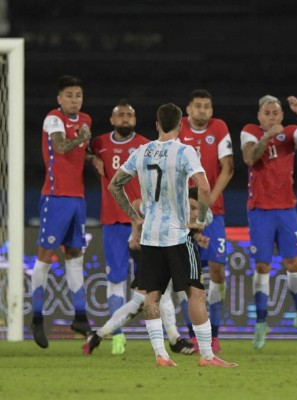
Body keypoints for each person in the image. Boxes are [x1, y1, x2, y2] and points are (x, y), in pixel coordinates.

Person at [108, 103, 237, 367]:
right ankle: (207, 356)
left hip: (150, 237)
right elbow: (203, 186)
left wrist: (134, 217)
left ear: (156, 124)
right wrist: (200, 220)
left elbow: (114, 185)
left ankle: (160, 355)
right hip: (177, 235)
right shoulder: (184, 151)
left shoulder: (141, 151)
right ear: (181, 126)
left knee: (151, 296)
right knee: (196, 294)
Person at [87, 100, 194, 355]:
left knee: (146, 294)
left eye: (129, 115)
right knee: (128, 284)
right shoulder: (101, 144)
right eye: (120, 115)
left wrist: (137, 221)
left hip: (145, 224)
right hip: (124, 222)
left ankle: (104, 335)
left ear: (138, 121)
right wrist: (91, 157)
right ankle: (133, 338)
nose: (125, 119)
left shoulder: (145, 146)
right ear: (112, 120)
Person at [83, 189, 208, 356]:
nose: (194, 212)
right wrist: (135, 233)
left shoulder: (193, 213)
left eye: (196, 208)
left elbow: (190, 226)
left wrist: (197, 235)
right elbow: (136, 204)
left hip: (162, 248)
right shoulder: (167, 204)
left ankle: (97, 335)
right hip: (150, 247)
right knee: (159, 292)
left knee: (140, 300)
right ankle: (174, 340)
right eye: (191, 207)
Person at [240, 95, 297, 349]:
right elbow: (250, 158)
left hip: (287, 209)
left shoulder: (290, 132)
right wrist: (267, 136)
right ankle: (261, 323)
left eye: (276, 112)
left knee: (293, 263)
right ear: (259, 115)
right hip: (260, 210)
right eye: (267, 112)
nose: (272, 116)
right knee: (263, 266)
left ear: (282, 115)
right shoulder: (250, 132)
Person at [31, 75, 93, 348]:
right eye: (69, 94)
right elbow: (60, 146)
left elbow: (81, 153)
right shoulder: (53, 118)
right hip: (55, 197)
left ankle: (80, 316)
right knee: (45, 256)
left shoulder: (86, 120)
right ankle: (36, 318)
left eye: (78, 94)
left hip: (78, 197)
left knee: (75, 255)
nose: (74, 99)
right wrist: (80, 137)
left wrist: (95, 157)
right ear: (59, 98)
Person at [178, 89, 234, 354]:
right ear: (188, 109)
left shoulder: (219, 127)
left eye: (207, 106)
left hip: (215, 212)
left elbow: (228, 167)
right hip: (182, 213)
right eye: (198, 106)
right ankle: (192, 335)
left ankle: (214, 333)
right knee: (189, 274)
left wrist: (209, 200)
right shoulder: (177, 129)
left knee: (217, 271)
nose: (203, 110)